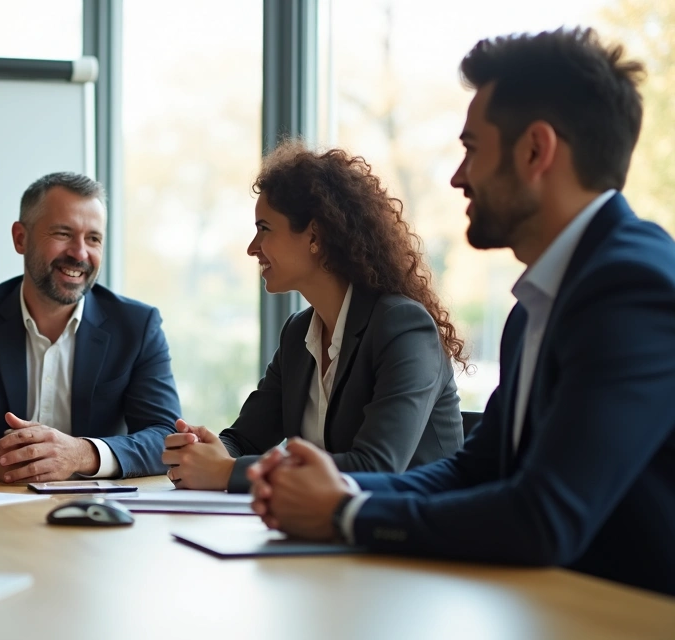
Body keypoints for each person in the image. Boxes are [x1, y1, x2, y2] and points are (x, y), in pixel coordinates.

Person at [248, 28, 675, 597]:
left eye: (472, 148)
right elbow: (478, 468)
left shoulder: (633, 287)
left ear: (535, 151)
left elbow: (543, 516)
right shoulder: (536, 307)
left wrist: (345, 516)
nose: (458, 175)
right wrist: (344, 495)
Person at [162, 142, 465, 493]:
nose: (252, 247)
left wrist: (228, 472)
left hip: (410, 537)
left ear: (315, 236)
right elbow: (245, 439)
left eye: (264, 228)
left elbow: (378, 467)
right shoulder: (298, 333)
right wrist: (203, 453)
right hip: (331, 534)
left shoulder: (403, 327)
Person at [0, 172, 181, 482]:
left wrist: (82, 454)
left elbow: (165, 436)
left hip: (99, 512)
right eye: (63, 233)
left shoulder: (137, 326)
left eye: (93, 238)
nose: (80, 253)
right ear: (20, 238)